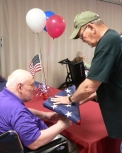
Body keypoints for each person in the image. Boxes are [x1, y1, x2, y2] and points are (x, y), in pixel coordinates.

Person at [51, 11, 122, 152]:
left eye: (81, 35)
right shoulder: (111, 39)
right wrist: (76, 102)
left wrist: (70, 99)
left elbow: (90, 86)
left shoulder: (108, 42)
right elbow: (101, 86)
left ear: (91, 27)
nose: (82, 40)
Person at [0, 69, 71, 151]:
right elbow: (34, 143)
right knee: (72, 145)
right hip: (36, 145)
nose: (35, 88)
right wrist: (63, 124)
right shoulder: (18, 111)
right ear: (20, 87)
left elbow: (21, 112)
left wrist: (45, 115)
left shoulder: (3, 96)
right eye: (32, 85)